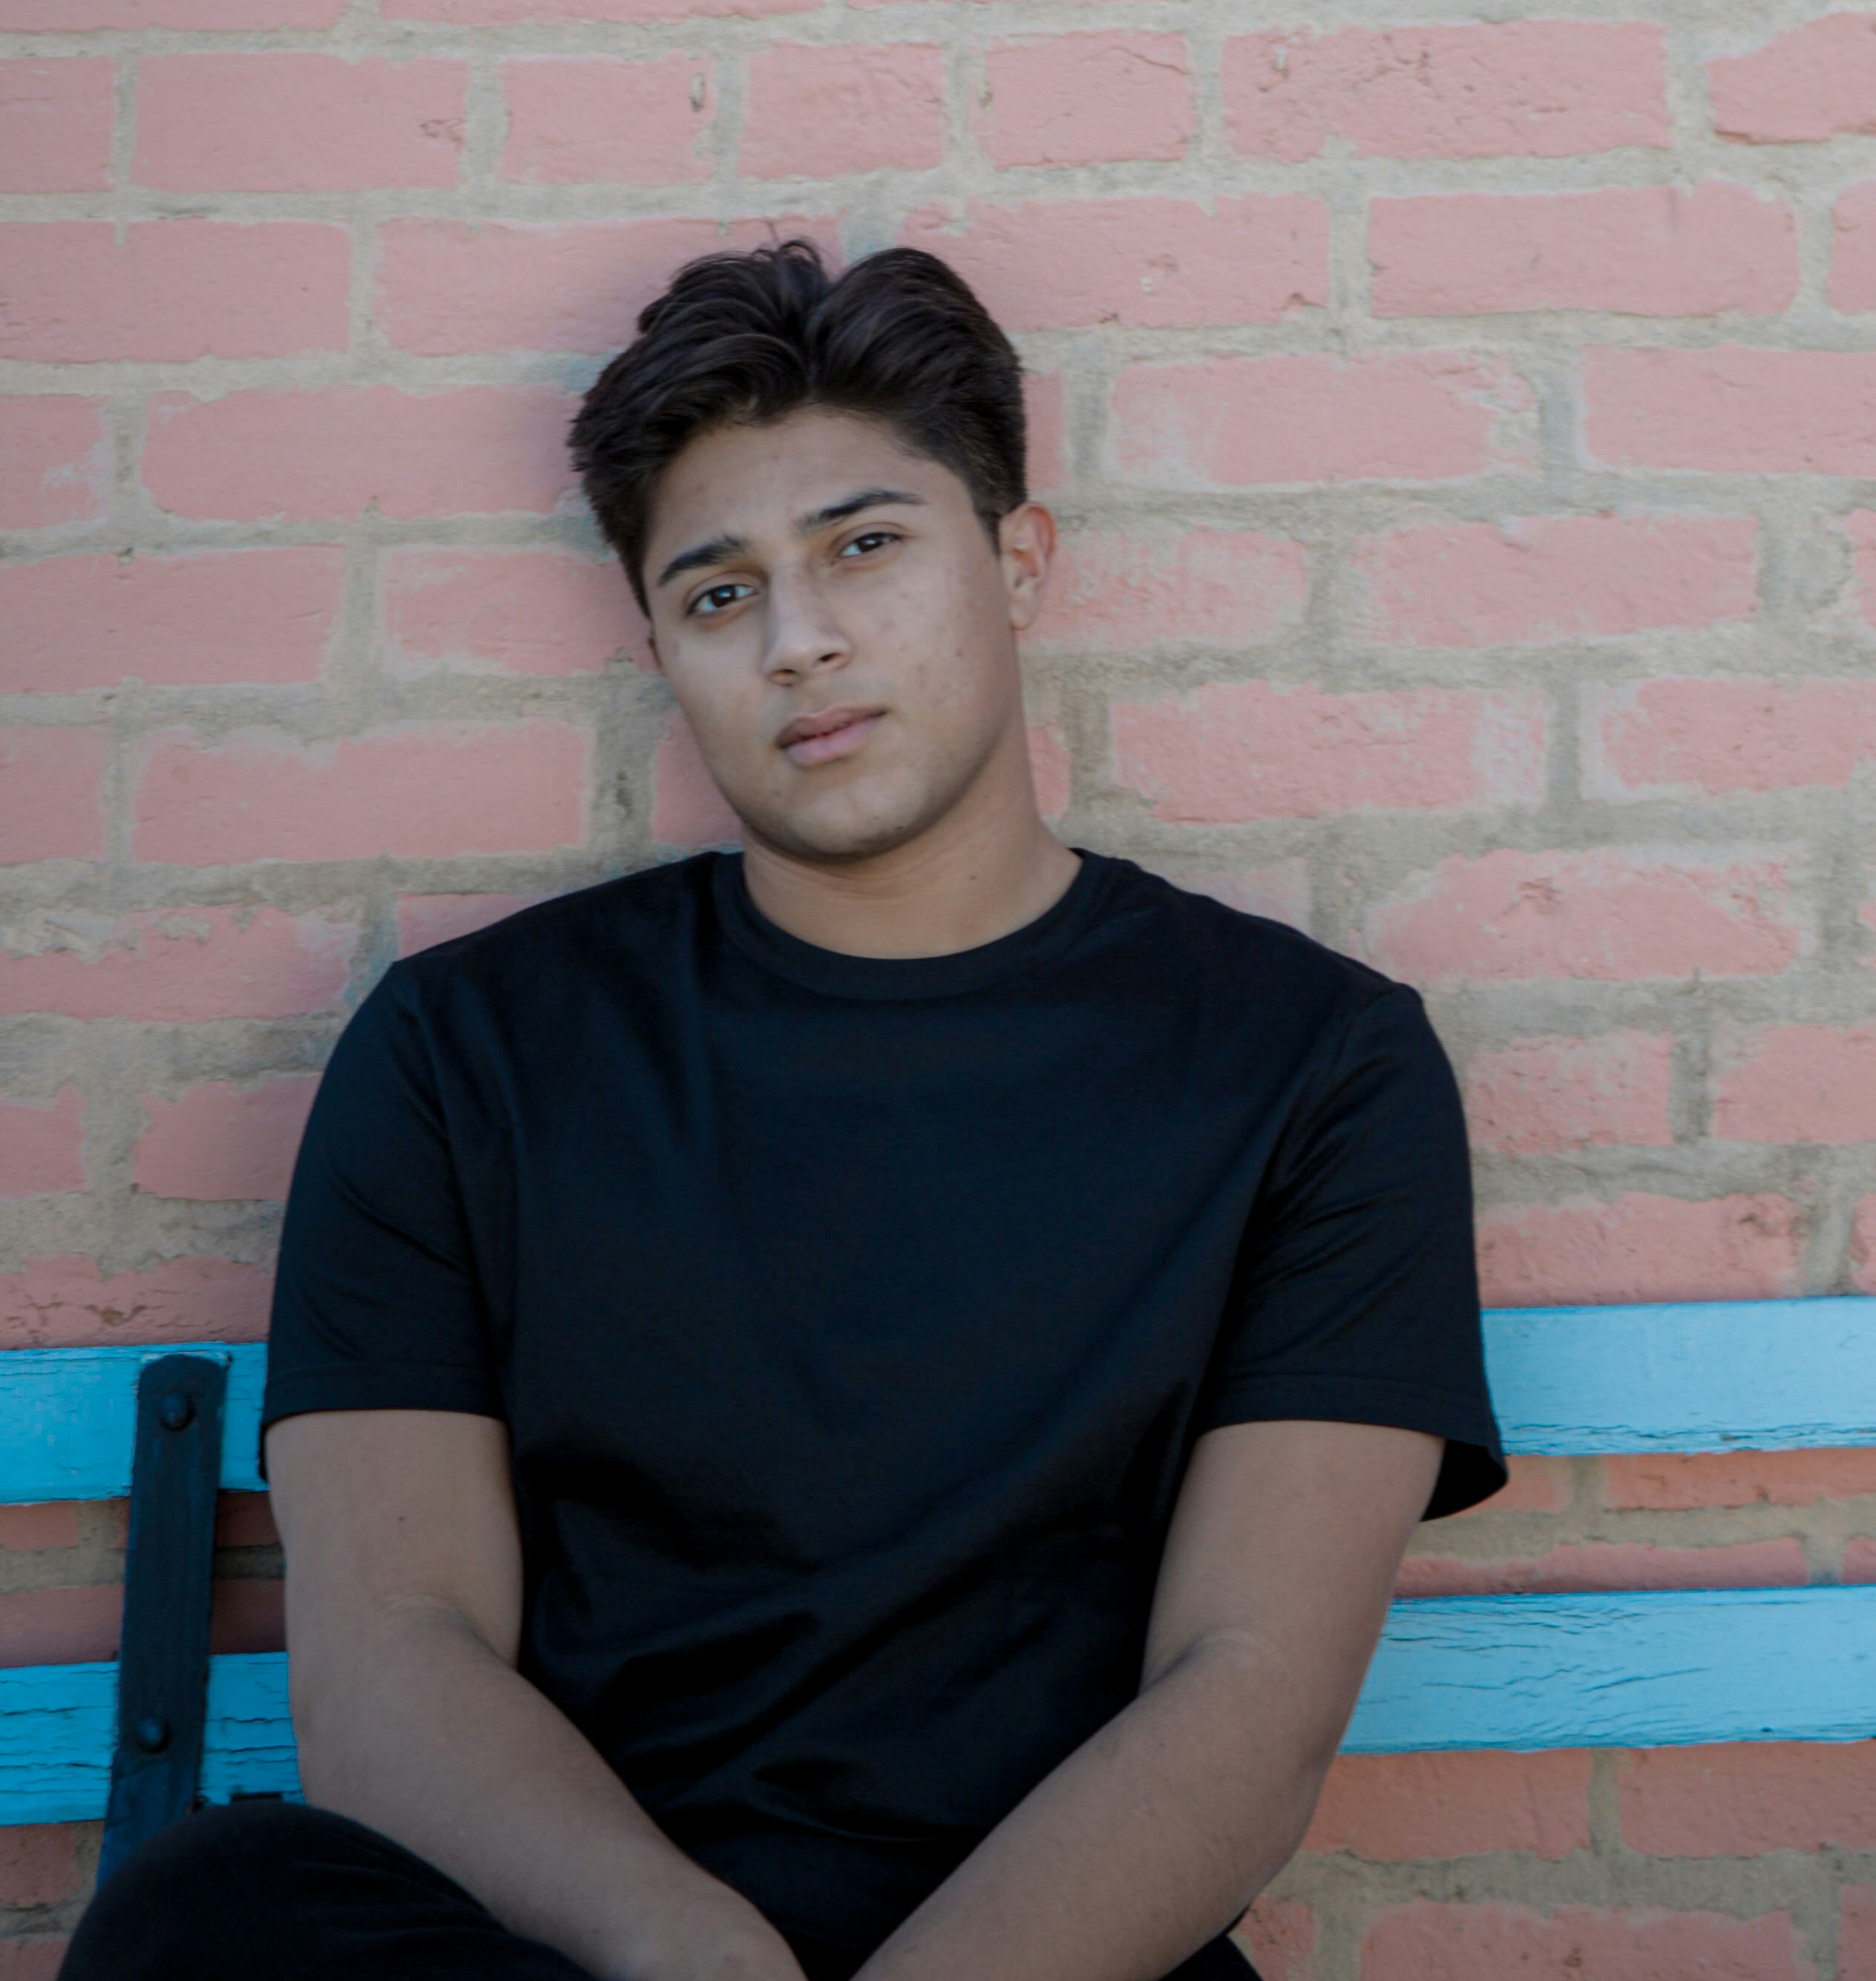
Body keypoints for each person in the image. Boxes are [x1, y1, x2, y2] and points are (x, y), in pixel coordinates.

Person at [76, 237, 1505, 1981]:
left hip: (1055, 1957)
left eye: (865, 546)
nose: (802, 640)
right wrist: (686, 1951)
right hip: (581, 1945)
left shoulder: (1314, 1067)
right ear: (663, 645)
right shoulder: (466, 1050)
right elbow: (396, 1649)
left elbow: (1248, 1694)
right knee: (203, 1919)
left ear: (1019, 560)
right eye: (720, 591)